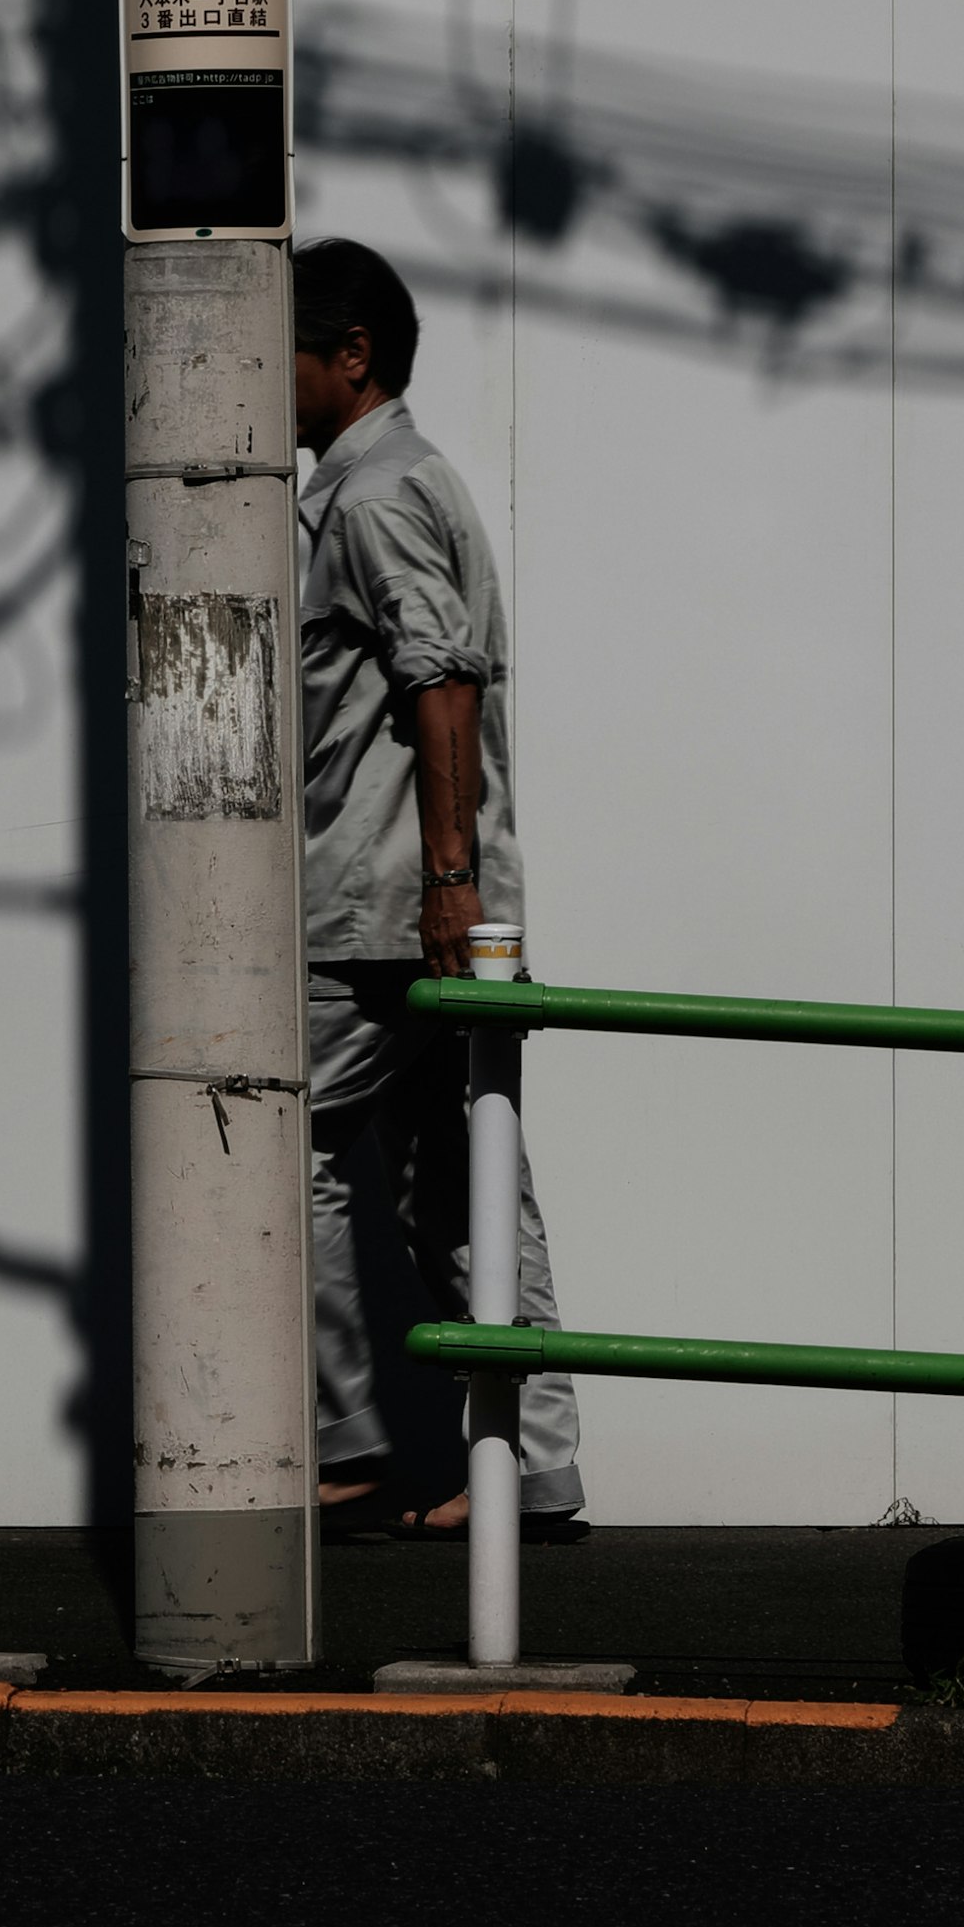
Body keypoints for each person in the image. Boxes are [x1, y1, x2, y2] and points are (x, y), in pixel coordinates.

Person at [288, 238, 585, 1542]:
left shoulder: (368, 497)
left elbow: (438, 676)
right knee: (467, 1166)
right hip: (429, 895)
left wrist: (447, 880)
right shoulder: (416, 479)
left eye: (275, 350)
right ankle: (528, 1468)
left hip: (385, 900)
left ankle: (351, 1441)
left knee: (270, 1136)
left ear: (349, 357)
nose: (252, 379)